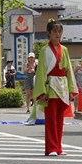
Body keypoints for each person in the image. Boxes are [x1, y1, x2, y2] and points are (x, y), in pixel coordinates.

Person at [33, 19, 77, 156]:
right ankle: (51, 147)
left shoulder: (65, 49)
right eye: (54, 31)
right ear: (49, 33)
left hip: (63, 85)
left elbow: (69, 69)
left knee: (59, 119)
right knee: (51, 119)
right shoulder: (44, 50)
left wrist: (71, 89)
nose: (57, 34)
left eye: (59, 31)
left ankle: (58, 147)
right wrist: (42, 91)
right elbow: (40, 72)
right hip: (51, 85)